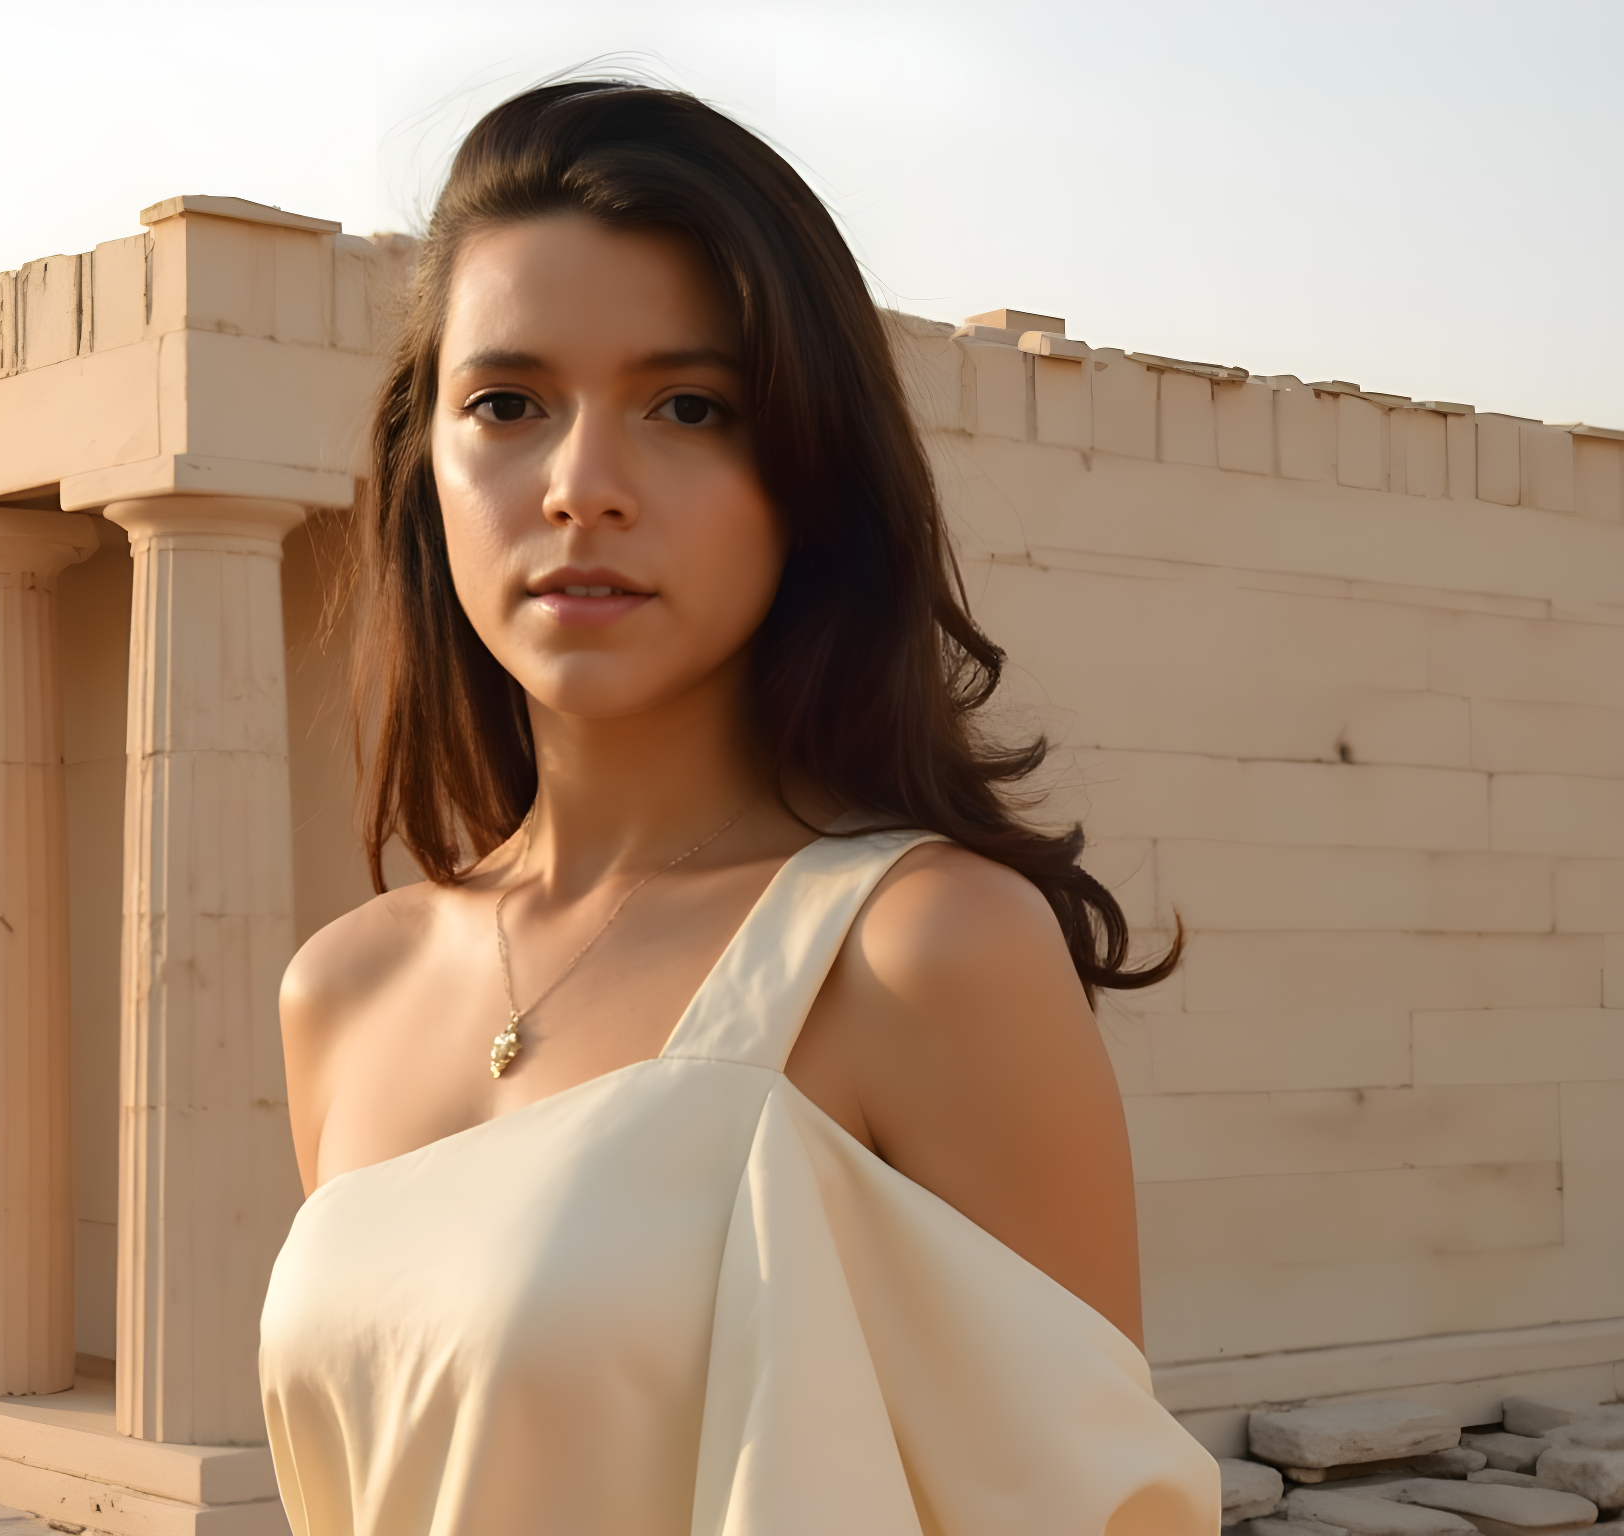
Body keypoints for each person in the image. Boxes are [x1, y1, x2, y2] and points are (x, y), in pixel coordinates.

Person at [259, 80, 1219, 1536]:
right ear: (423, 464)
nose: (582, 487)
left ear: (808, 475)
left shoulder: (924, 954)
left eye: (689, 408)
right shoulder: (343, 990)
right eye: (507, 404)